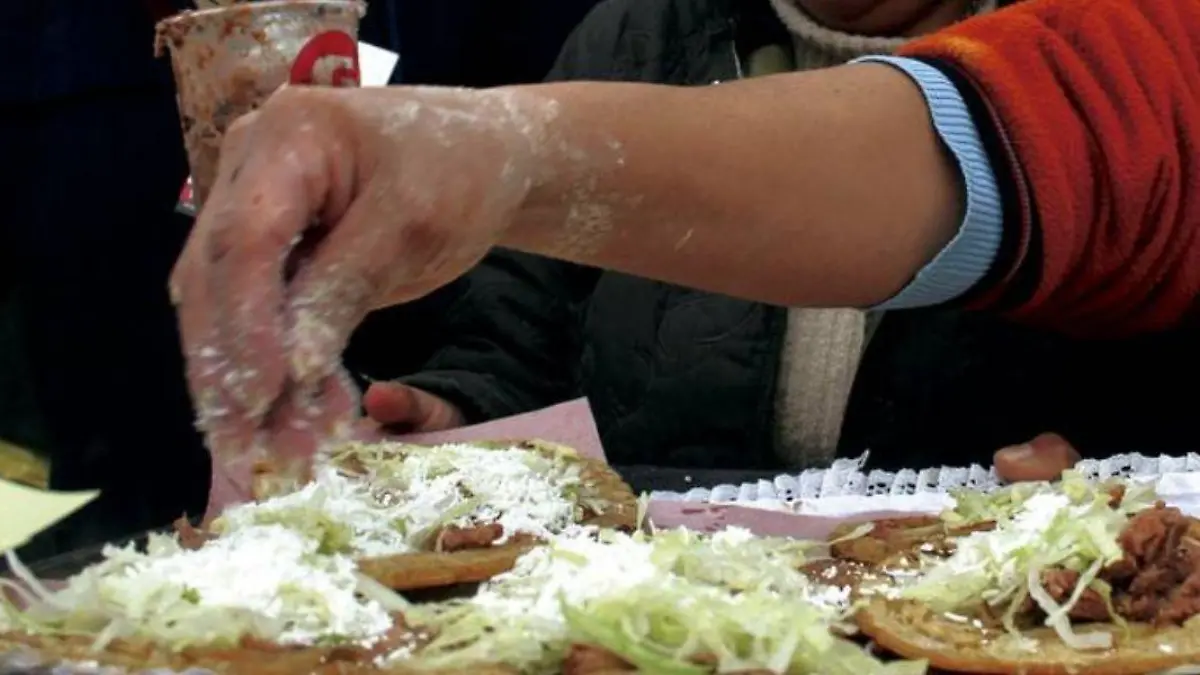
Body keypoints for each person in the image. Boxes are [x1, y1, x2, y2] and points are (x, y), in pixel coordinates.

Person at [170, 0, 1200, 508]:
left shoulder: (1124, 43)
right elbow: (518, 338)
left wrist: (514, 153)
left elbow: (1054, 147)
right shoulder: (636, 33)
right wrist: (473, 421)